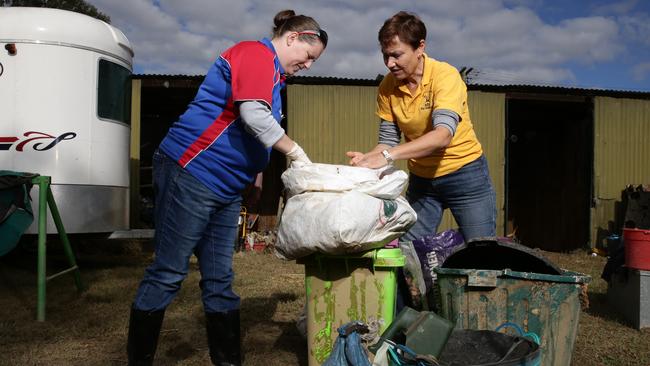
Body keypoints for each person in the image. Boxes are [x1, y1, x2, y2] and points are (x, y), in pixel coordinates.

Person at [126, 10, 327, 366]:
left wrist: (256, 177)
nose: (309, 65)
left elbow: (254, 137)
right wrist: (297, 153)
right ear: (294, 37)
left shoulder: (276, 81)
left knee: (220, 279)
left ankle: (228, 360)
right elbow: (252, 115)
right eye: (309, 57)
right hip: (191, 171)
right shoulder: (256, 54)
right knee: (170, 272)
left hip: (227, 188)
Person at [347, 10, 496, 244]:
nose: (390, 63)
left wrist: (387, 156)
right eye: (385, 56)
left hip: (465, 175)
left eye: (396, 55)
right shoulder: (387, 86)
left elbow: (442, 136)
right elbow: (388, 140)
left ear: (420, 47)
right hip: (423, 182)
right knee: (407, 251)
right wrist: (367, 160)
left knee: (481, 251)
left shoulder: (444, 76)